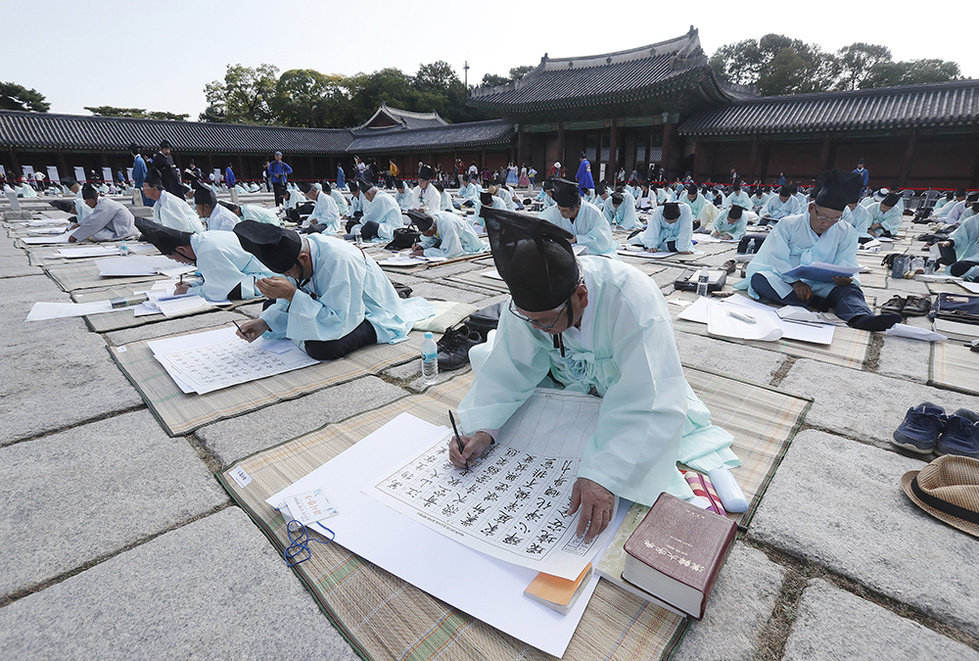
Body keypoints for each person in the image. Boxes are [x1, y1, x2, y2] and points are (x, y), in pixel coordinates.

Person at [451, 207, 738, 541]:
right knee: (490, 358)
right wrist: (482, 428)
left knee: (655, 421)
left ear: (581, 296)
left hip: (629, 384)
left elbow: (647, 393)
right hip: (570, 382)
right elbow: (509, 365)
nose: (535, 329)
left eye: (543, 322)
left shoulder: (632, 298)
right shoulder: (532, 312)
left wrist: (604, 474)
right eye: (527, 318)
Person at [232, 221, 435, 360]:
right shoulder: (300, 253)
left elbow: (340, 320)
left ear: (304, 258)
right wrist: (264, 322)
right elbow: (292, 296)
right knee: (270, 306)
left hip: (370, 313)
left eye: (290, 272)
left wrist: (291, 296)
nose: (291, 278)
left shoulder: (340, 260)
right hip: (330, 305)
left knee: (321, 347)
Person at [737, 169, 901, 331]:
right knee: (759, 279)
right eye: (823, 217)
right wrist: (795, 282)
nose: (827, 223)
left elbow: (847, 261)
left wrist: (845, 277)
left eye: (834, 219)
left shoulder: (847, 231)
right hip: (784, 280)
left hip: (823, 284)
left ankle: (861, 317)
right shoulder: (788, 224)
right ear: (811, 208)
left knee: (851, 291)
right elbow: (775, 257)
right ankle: (817, 302)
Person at [135, 218, 273, 302]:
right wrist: (194, 285)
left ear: (181, 249)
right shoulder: (203, 239)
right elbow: (218, 277)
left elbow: (220, 291)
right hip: (259, 268)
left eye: (173, 257)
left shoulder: (206, 250)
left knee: (238, 291)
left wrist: (187, 292)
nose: (178, 262)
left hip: (268, 274)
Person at [538, 178, 617, 257]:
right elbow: (539, 227)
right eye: (560, 209)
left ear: (577, 207)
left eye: (565, 211)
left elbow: (603, 239)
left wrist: (577, 239)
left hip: (592, 255)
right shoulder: (553, 212)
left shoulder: (592, 212)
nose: (561, 213)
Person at [142, 169, 204, 234]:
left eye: (145, 187)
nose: (143, 190)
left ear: (154, 189)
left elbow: (182, 226)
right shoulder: (157, 204)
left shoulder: (170, 201)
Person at [67, 184, 136, 243]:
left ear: (95, 198)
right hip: (119, 229)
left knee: (94, 235)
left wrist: (74, 237)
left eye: (87, 201)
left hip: (123, 232)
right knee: (89, 232)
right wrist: (78, 224)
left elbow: (94, 223)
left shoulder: (105, 205)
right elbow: (92, 217)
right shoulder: (102, 203)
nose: (87, 204)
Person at [409, 210, 487, 259]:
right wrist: (422, 245)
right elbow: (431, 238)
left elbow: (451, 252)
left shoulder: (448, 225)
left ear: (434, 227)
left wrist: (425, 253)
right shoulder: (432, 219)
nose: (428, 235)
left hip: (466, 243)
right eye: (424, 234)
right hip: (449, 239)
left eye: (429, 233)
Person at [629, 202, 694, 253]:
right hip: (661, 236)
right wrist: (652, 246)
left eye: (673, 221)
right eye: (667, 221)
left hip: (675, 237)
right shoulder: (659, 211)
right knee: (636, 241)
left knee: (674, 247)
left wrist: (682, 249)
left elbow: (686, 230)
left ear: (679, 215)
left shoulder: (685, 210)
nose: (670, 223)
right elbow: (653, 229)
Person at [938, 211, 979, 281]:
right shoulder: (974, 220)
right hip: (973, 259)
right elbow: (961, 236)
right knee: (958, 267)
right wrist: (951, 242)